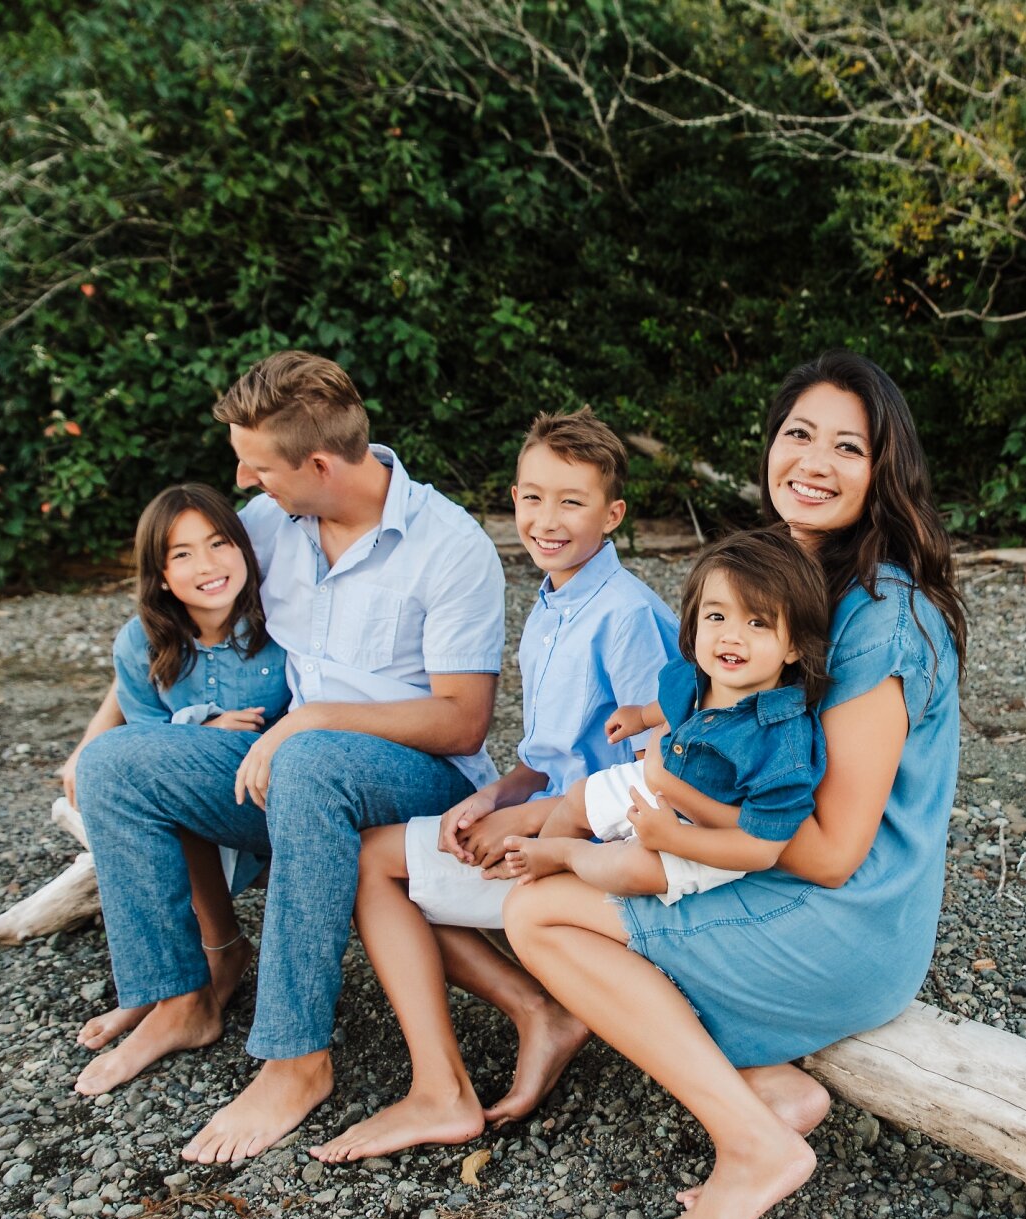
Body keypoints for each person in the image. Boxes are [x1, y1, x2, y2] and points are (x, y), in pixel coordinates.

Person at [502, 350, 968, 1219]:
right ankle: (766, 1087)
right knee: (557, 888)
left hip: (847, 915)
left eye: (848, 445)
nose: (814, 461)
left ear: (885, 473)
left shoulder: (882, 615)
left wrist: (668, 824)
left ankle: (754, 1145)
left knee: (541, 914)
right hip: (779, 874)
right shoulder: (782, 583)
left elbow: (832, 851)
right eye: (798, 434)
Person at [70, 351, 507, 1164]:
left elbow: (463, 723)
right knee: (114, 767)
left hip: (419, 780)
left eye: (256, 464)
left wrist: (312, 720)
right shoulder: (270, 525)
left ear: (316, 464)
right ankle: (183, 996)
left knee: (309, 763)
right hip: (297, 769)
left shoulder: (451, 547)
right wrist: (103, 727)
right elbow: (172, 614)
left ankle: (297, 1058)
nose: (243, 477)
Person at [312, 408, 678, 1163]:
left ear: (613, 515)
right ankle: (533, 1013)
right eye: (533, 498)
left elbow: (661, 774)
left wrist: (539, 824)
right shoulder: (548, 603)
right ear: (512, 497)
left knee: (375, 862)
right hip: (546, 820)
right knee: (377, 856)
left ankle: (467, 1066)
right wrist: (491, 799)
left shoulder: (628, 616)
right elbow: (547, 757)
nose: (547, 520)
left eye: (572, 502)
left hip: (602, 854)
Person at [65, 483, 291, 1061]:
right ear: (161, 575)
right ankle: (187, 977)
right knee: (152, 785)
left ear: (244, 550)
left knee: (150, 775)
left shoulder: (285, 630)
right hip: (207, 799)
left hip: (282, 797)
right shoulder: (141, 644)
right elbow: (147, 746)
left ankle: (187, 980)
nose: (208, 565)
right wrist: (200, 731)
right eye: (182, 554)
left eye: (219, 544)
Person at [502, 528, 830, 902]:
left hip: (710, 838)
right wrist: (640, 716)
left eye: (757, 623)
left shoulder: (782, 740)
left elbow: (762, 848)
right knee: (578, 798)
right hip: (661, 782)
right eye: (717, 616)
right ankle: (541, 872)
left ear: (794, 647)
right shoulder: (694, 674)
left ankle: (570, 855)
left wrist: (676, 838)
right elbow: (672, 703)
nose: (731, 636)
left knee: (633, 867)